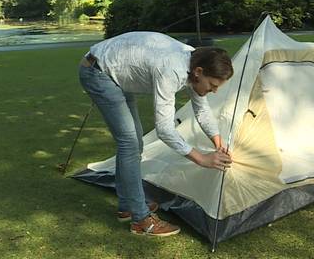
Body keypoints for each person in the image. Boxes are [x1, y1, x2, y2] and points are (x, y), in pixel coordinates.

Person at [78, 32, 234, 237]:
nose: (213, 91)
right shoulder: (172, 70)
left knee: (135, 144)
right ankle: (141, 220)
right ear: (198, 72)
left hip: (114, 71)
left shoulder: (195, 62)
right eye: (212, 85)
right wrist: (201, 158)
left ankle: (127, 206)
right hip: (98, 72)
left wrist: (217, 141)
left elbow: (202, 110)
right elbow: (164, 129)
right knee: (130, 144)